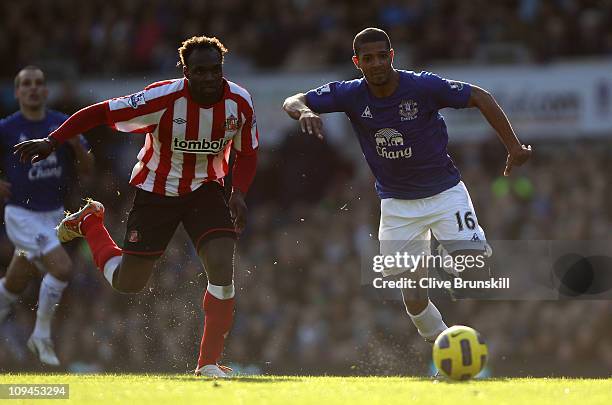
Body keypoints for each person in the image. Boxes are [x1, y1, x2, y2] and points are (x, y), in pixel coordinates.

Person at [14, 36, 259, 378]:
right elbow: (100, 112)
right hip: (156, 191)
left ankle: (207, 363)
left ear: (222, 69)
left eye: (214, 70)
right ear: (185, 71)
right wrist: (53, 140)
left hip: (207, 190)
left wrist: (239, 193)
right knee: (128, 282)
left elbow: (247, 152)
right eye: (199, 71)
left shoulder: (240, 102)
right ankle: (89, 223)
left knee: (221, 265)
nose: (208, 78)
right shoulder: (162, 98)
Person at [283, 28, 531, 348]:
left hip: (445, 194)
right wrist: (304, 110)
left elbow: (480, 97)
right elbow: (292, 99)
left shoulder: (422, 86)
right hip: (398, 207)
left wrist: (513, 147)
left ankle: (456, 267)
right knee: (414, 300)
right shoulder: (350, 94)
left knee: (473, 267)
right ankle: (447, 345)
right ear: (357, 62)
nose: (376, 64)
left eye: (381, 56)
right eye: (368, 59)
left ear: (392, 56)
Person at [0, 66, 94, 366]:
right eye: (26, 84)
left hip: (53, 213)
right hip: (21, 213)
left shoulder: (61, 124)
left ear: (45, 90)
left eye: (38, 83)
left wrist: (79, 147)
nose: (33, 88)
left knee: (16, 281)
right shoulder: (6, 128)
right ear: (17, 92)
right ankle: (40, 335)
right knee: (63, 269)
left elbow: (88, 169)